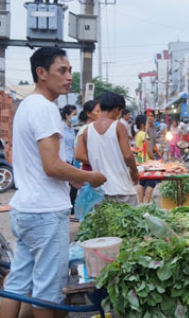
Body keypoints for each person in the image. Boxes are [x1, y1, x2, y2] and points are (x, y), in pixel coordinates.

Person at [0, 47, 106, 318]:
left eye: (70, 70)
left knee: (16, 284)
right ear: (41, 73)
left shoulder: (27, 107)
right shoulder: (45, 108)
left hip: (25, 210)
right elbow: (52, 166)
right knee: (48, 291)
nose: (69, 76)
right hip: (44, 212)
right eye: (62, 70)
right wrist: (89, 177)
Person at [75, 92, 139, 205]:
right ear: (116, 110)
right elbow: (128, 156)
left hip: (99, 191)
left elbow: (87, 155)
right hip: (121, 189)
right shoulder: (118, 126)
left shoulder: (87, 131)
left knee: (104, 222)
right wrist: (134, 171)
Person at [60, 104, 78, 213]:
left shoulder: (71, 128)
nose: (75, 117)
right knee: (68, 185)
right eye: (74, 115)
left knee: (74, 185)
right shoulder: (60, 127)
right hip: (63, 159)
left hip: (71, 159)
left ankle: (71, 206)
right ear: (67, 115)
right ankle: (66, 207)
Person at [135, 114, 157, 204]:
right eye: (147, 123)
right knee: (151, 183)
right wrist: (154, 161)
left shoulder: (138, 135)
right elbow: (148, 150)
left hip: (139, 162)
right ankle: (147, 203)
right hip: (147, 163)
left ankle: (140, 203)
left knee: (142, 182)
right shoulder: (144, 135)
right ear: (142, 124)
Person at [75, 100, 101, 172]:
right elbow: (79, 155)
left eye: (102, 111)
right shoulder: (85, 130)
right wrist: (100, 162)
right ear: (89, 114)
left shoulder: (95, 129)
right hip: (88, 171)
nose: (101, 114)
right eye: (98, 111)